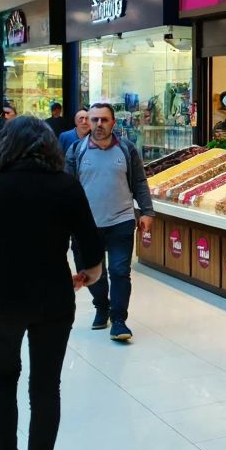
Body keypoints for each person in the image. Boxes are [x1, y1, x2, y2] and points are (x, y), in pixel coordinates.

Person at [0, 116, 104, 450]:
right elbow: (91, 250)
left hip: (2, 300)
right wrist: (85, 276)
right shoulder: (65, 185)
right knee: (45, 389)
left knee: (2, 381)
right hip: (52, 299)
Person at [65, 102, 153, 342]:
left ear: (113, 122)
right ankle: (101, 306)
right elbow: (67, 189)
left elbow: (139, 183)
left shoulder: (127, 149)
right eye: (94, 120)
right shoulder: (76, 151)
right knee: (92, 273)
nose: (99, 124)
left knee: (119, 271)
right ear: (87, 122)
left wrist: (146, 211)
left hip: (121, 221)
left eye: (104, 120)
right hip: (86, 226)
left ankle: (119, 319)